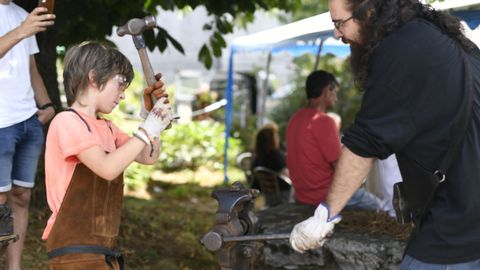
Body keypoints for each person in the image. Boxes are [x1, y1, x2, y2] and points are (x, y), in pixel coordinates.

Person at [289, 0, 480, 269]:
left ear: (368, 12)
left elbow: (365, 141)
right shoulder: (432, 37)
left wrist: (324, 216)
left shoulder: (401, 48)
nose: (336, 33)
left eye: (338, 23)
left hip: (459, 224)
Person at [41, 41, 175, 269]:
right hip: (73, 246)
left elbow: (148, 156)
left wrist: (150, 119)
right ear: (94, 78)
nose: (123, 96)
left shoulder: (108, 128)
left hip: (102, 248)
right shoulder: (66, 122)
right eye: (120, 84)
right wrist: (148, 129)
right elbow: (107, 168)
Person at [0, 1, 55, 267]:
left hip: (28, 120)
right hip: (0, 123)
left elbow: (30, 67)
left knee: (21, 196)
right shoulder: (24, 22)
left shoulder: (22, 14)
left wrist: (46, 104)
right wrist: (22, 30)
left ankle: (14, 267)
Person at [286, 70, 379, 210]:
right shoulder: (324, 121)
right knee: (377, 205)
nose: (336, 97)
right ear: (326, 92)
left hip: (302, 195)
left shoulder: (294, 119)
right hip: (326, 196)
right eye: (334, 91)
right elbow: (340, 166)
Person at [251, 122, 291, 205]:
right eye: (276, 135)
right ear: (272, 139)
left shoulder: (258, 157)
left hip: (267, 195)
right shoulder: (276, 156)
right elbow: (287, 174)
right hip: (283, 194)